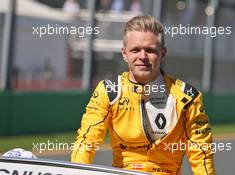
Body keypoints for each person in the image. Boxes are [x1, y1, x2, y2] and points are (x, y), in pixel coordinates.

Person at [71, 15, 216, 175]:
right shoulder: (108, 91)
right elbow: (87, 139)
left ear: (163, 53)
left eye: (150, 50)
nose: (142, 57)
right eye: (135, 50)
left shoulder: (187, 97)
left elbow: (201, 153)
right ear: (124, 53)